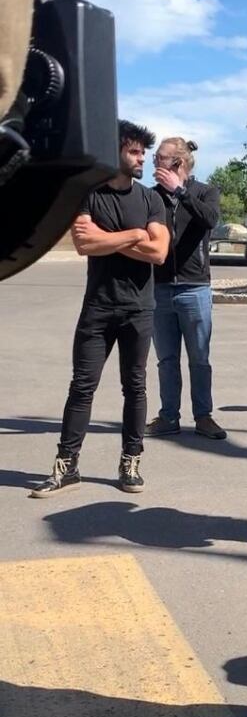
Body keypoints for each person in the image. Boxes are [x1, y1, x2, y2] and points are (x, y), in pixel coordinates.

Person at [30, 121, 169, 498]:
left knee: (135, 386)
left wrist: (111, 239)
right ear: (115, 152)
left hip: (138, 308)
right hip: (98, 308)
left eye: (143, 152)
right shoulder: (88, 195)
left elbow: (159, 252)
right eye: (134, 152)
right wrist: (137, 234)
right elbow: (84, 244)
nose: (141, 158)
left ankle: (130, 461)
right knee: (82, 386)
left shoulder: (151, 199)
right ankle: (67, 465)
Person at [145, 137, 226, 440]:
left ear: (177, 163)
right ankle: (168, 417)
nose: (154, 163)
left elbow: (210, 220)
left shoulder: (205, 192)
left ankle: (203, 417)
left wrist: (179, 191)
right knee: (166, 360)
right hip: (160, 289)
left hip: (195, 290)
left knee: (199, 359)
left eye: (160, 158)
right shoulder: (151, 197)